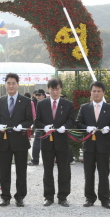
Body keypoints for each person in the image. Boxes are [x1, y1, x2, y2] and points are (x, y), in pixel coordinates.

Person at [76, 81, 110, 209]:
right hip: (88, 146)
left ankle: (105, 199)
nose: (96, 93)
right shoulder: (84, 107)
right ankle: (89, 198)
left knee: (104, 173)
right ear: (90, 92)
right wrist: (86, 128)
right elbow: (78, 123)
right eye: (94, 91)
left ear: (103, 92)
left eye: (99, 91)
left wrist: (108, 128)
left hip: (103, 145)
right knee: (89, 173)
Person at [35, 78, 75, 207]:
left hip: (62, 141)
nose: (55, 91)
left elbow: (71, 120)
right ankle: (48, 196)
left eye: (57, 88)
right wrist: (44, 127)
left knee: (64, 169)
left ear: (61, 89)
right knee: (47, 169)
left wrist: (65, 126)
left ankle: (63, 196)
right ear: (48, 89)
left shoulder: (67, 104)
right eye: (52, 89)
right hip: (47, 141)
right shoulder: (41, 104)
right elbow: (37, 122)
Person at [0, 73, 33, 207]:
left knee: (21, 171)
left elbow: (30, 119)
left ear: (18, 84)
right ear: (5, 84)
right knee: (4, 171)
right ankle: (5, 197)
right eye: (8, 83)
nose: (11, 86)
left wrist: (22, 126)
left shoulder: (26, 101)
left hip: (20, 140)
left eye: (13, 83)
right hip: (4, 141)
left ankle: (20, 197)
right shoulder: (0, 101)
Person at [28, 89, 46, 166]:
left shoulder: (46, 102)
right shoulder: (33, 102)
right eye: (37, 95)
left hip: (47, 126)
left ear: (43, 95)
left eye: (39, 95)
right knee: (36, 143)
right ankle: (35, 160)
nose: (38, 96)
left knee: (48, 144)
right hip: (38, 125)